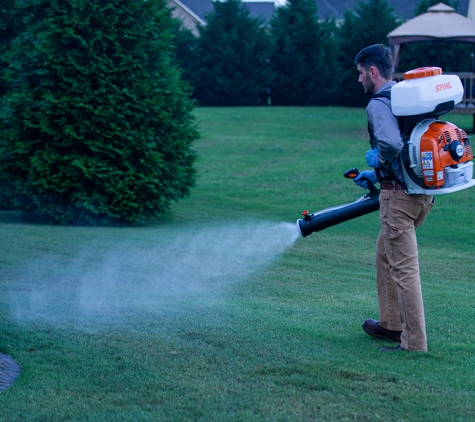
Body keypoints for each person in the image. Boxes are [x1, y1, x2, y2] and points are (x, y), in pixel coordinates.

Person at [353, 44, 434, 352]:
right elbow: (408, 145)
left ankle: (413, 342)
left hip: (398, 200)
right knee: (384, 252)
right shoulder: (405, 96)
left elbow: (389, 142)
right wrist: (378, 173)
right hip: (421, 195)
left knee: (404, 270)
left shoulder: (378, 103)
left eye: (361, 73)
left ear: (373, 71)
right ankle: (390, 325)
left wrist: (378, 160)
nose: (359, 79)